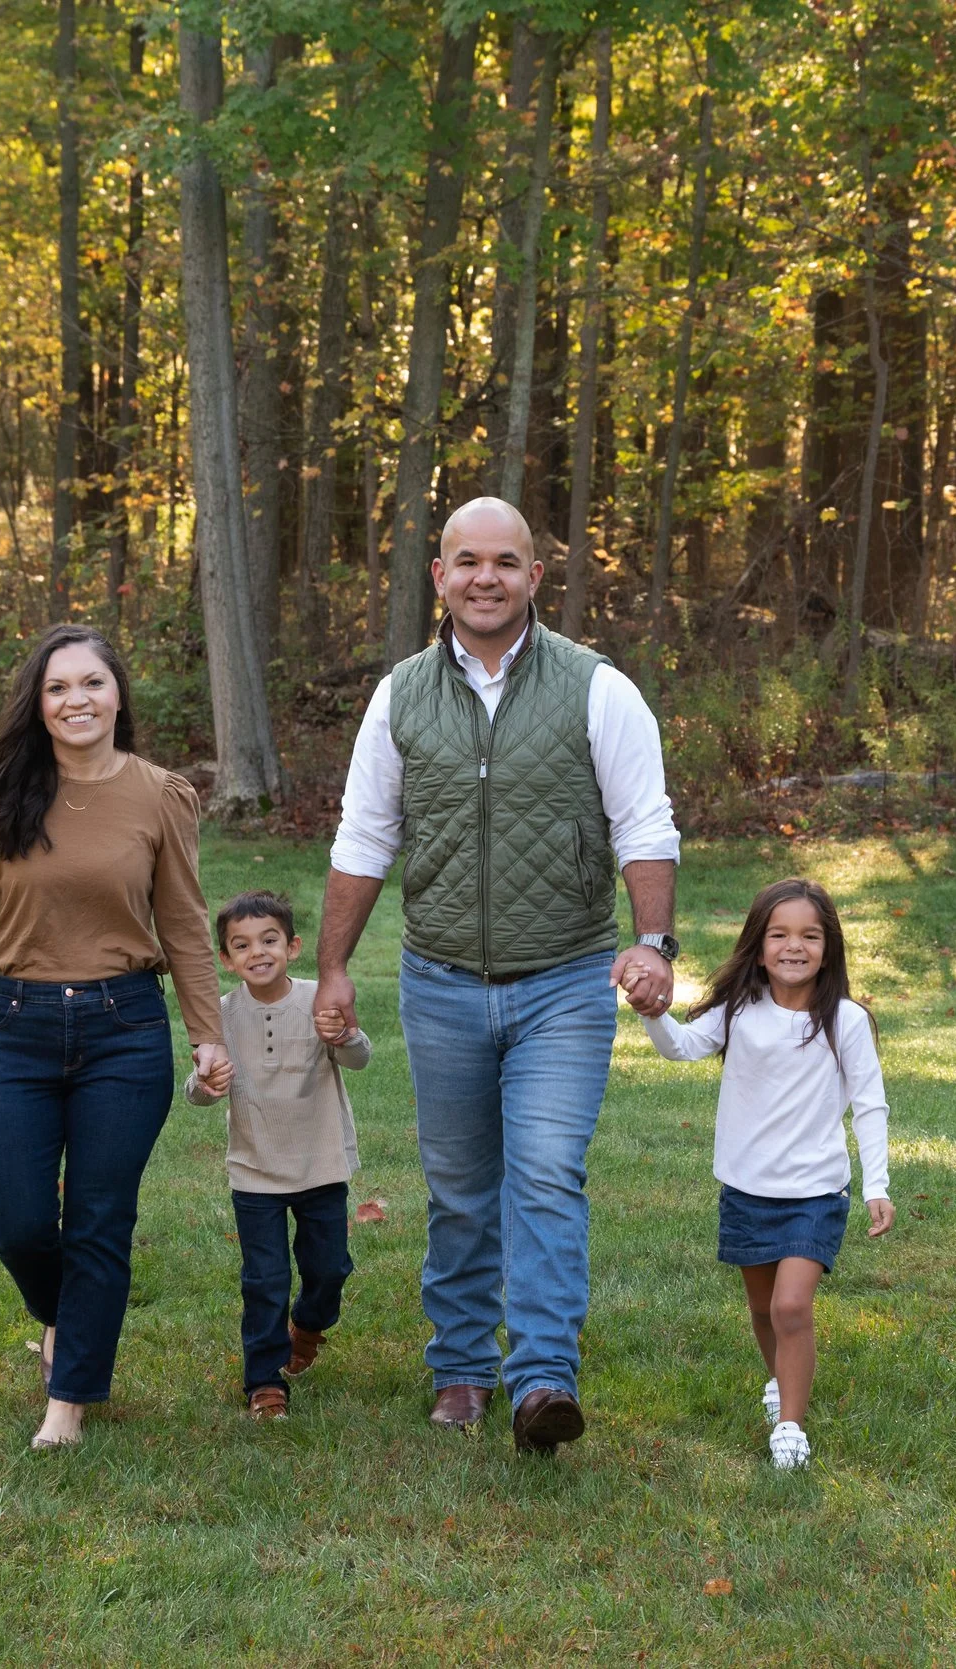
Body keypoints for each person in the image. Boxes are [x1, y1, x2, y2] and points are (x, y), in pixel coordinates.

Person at [313, 496, 681, 1455]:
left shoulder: (599, 689)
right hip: (439, 984)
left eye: (506, 562)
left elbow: (644, 823)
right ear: (439, 576)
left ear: (535, 577)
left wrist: (653, 942)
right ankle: (462, 1366)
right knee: (461, 1186)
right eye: (468, 561)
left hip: (564, 979)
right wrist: (333, 966)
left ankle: (544, 1378)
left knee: (547, 1174)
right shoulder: (399, 695)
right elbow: (365, 836)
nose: (487, 577)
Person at [0, 624, 228, 1451]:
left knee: (98, 1219)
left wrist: (207, 1034)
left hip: (125, 1028)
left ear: (118, 695)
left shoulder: (160, 794)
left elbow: (185, 922)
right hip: (15, 1027)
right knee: (16, 1222)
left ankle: (68, 1402)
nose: (75, 700)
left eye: (91, 683)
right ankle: (63, 1315)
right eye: (57, 687)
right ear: (38, 703)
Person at [626, 878, 893, 1470]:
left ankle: (790, 1427)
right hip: (747, 1189)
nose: (794, 946)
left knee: (791, 1308)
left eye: (810, 936)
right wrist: (653, 1014)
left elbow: (870, 1105)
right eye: (779, 935)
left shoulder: (845, 1020)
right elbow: (682, 1047)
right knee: (763, 1308)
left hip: (815, 1192)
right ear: (759, 944)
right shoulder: (739, 1010)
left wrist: (877, 1184)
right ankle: (780, 1379)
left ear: (829, 947)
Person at [184, 891, 373, 1420]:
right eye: (241, 945)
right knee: (264, 1281)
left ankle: (308, 1325)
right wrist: (206, 1083)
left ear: (292, 946)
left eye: (269, 940)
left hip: (321, 1164)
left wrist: (346, 1034)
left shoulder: (318, 999)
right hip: (255, 1172)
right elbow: (196, 1091)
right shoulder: (220, 1014)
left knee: (329, 1269)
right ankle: (264, 1382)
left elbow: (359, 1058)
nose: (257, 952)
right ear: (226, 959)